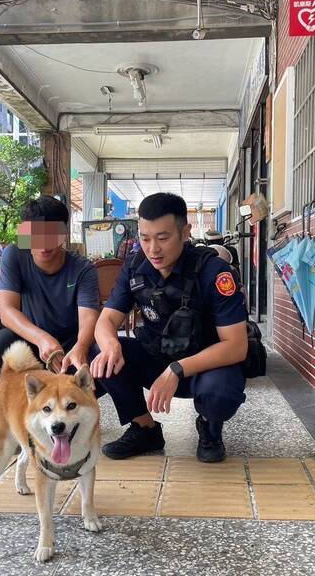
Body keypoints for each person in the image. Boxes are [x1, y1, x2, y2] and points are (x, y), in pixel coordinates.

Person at [91, 193, 248, 463]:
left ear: (185, 232)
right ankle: (144, 428)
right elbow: (105, 321)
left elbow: (236, 345)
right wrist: (111, 344)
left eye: (163, 238)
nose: (153, 249)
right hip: (154, 356)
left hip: (203, 366)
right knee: (102, 353)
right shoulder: (135, 266)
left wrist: (177, 369)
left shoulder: (214, 271)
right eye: (145, 238)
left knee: (220, 390)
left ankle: (210, 428)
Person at [0, 195, 100, 384]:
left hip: (70, 343)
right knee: (2, 343)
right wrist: (41, 338)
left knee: (99, 354)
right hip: (31, 338)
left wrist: (81, 346)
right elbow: (7, 311)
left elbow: (88, 317)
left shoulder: (83, 268)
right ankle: (4, 407)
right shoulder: (14, 255)